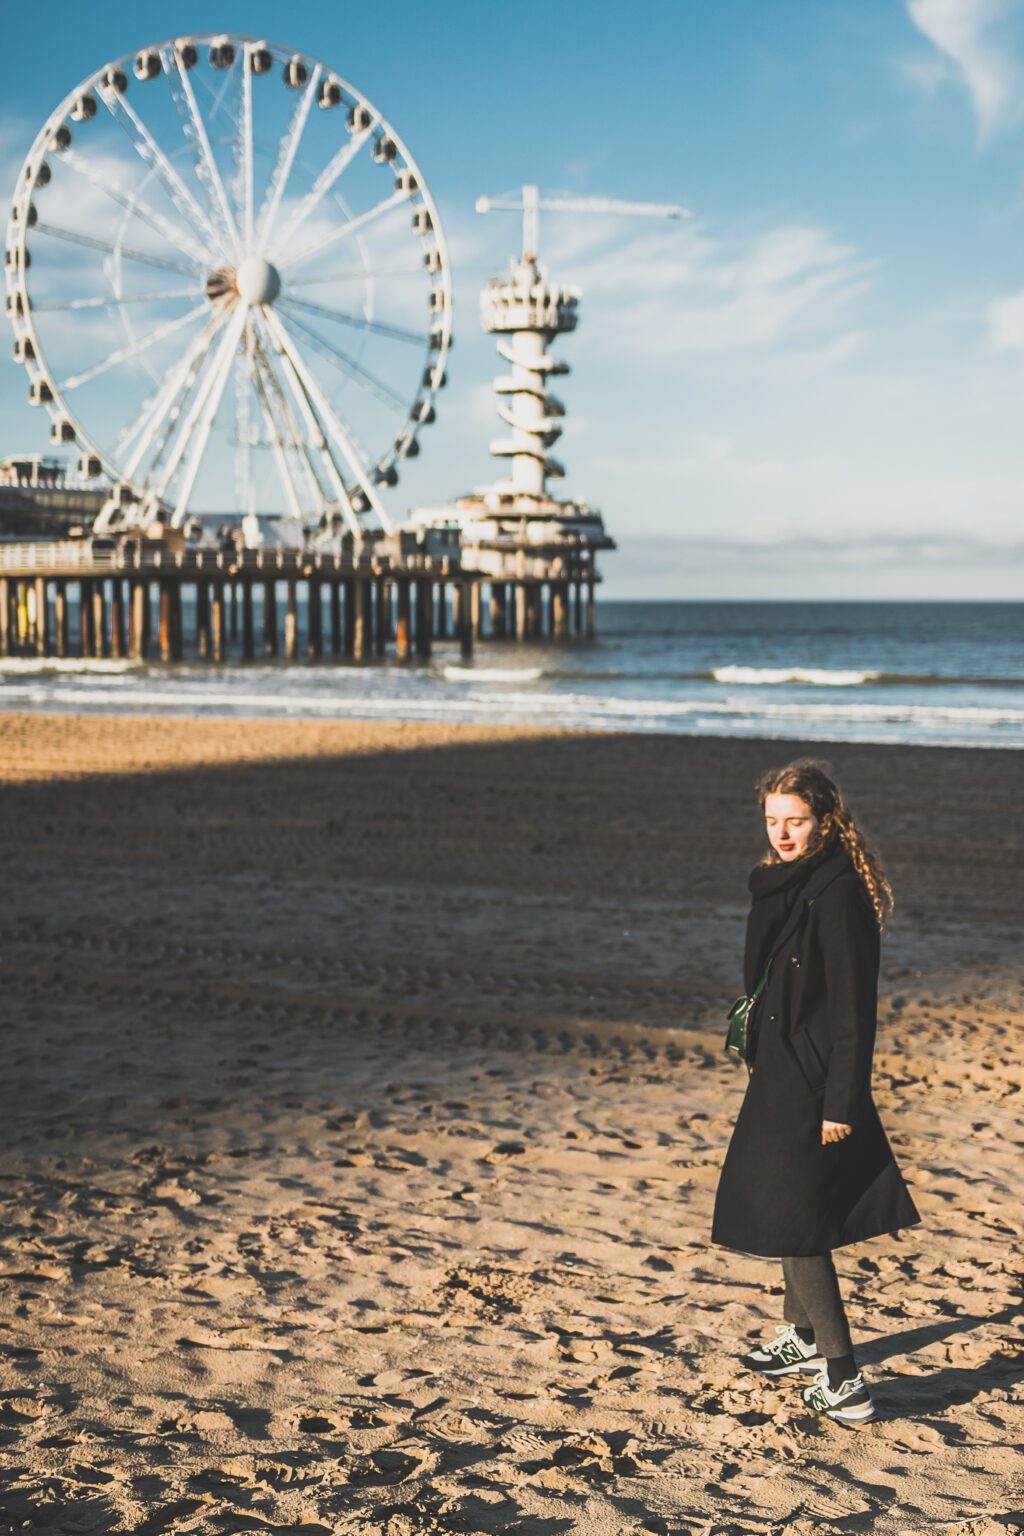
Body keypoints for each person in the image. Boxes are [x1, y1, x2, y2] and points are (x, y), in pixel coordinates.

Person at [711, 759, 920, 1425]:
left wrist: (841, 1102)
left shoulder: (837, 894)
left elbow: (856, 1012)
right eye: (772, 820)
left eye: (795, 820)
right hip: (778, 1066)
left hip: (812, 1077)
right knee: (782, 1203)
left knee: (795, 1221)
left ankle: (844, 1379)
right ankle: (801, 1337)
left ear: (826, 820)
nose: (782, 832)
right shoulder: (781, 881)